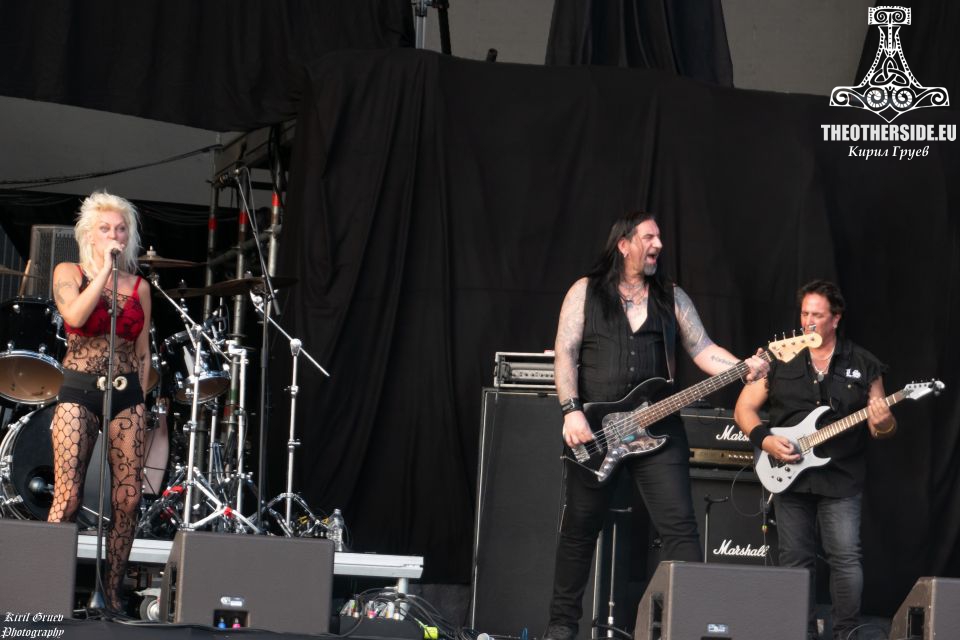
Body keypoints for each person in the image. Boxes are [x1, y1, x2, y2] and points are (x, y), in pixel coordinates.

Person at [545, 211, 768, 640]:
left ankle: (690, 626)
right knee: (579, 530)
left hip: (660, 429)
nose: (659, 245)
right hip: (596, 431)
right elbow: (565, 352)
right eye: (649, 237)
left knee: (680, 529)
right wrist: (571, 410)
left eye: (660, 237)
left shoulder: (671, 296)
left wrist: (744, 367)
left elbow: (702, 348)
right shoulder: (585, 292)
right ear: (624, 244)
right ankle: (560, 628)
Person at [734, 279, 895, 640]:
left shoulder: (863, 363)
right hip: (789, 472)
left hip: (842, 475)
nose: (808, 321)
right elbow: (744, 409)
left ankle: (846, 633)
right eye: (805, 313)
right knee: (795, 560)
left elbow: (880, 428)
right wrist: (766, 441)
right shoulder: (781, 355)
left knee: (845, 558)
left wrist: (884, 421)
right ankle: (798, 633)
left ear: (835, 319)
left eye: (817, 315)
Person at [48, 190, 152, 612]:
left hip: (127, 392)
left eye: (121, 229)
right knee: (68, 496)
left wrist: (142, 400)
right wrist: (105, 272)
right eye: (106, 228)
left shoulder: (140, 286)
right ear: (90, 234)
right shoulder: (68, 272)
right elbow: (74, 315)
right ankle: (46, 589)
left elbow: (143, 352)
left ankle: (111, 593)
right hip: (79, 387)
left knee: (128, 498)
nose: (115, 235)